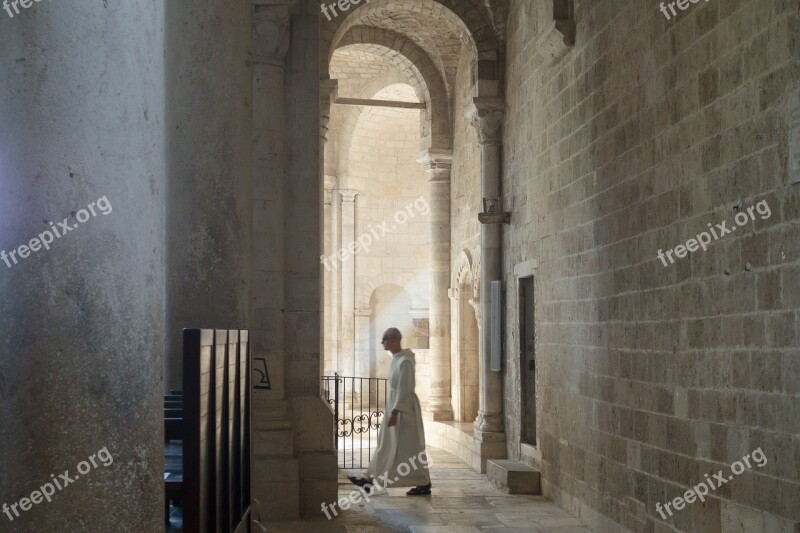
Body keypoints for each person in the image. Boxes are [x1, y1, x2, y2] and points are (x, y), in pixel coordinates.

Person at [348, 327, 432, 496]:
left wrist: (395, 412)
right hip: (395, 406)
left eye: (385, 340)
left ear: (394, 340)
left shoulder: (405, 361)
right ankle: (369, 477)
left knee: (410, 448)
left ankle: (423, 482)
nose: (382, 343)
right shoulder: (397, 358)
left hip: (403, 410)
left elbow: (405, 388)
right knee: (385, 444)